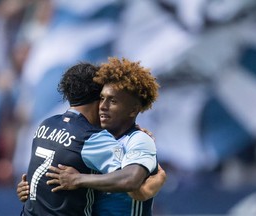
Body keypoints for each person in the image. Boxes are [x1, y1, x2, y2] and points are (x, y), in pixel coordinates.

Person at [17, 60, 165, 216]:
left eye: (112, 100)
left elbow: (134, 186)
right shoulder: (94, 137)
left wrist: (77, 179)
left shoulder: (47, 124)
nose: (103, 106)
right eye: (102, 98)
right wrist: (32, 189)